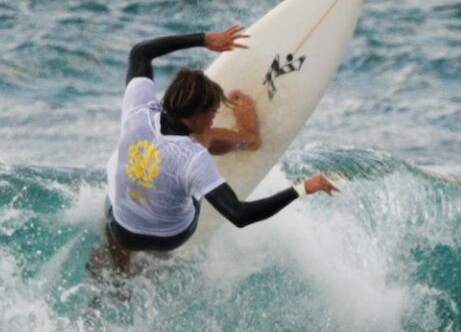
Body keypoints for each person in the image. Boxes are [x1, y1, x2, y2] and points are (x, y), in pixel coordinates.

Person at [97, 23, 339, 273]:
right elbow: (239, 215)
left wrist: (203, 39)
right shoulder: (194, 158)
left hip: (123, 230)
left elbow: (141, 51)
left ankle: (117, 271)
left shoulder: (136, 109)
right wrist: (302, 188)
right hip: (171, 237)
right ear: (197, 116)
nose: (214, 118)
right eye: (213, 113)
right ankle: (248, 137)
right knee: (203, 139)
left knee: (114, 193)